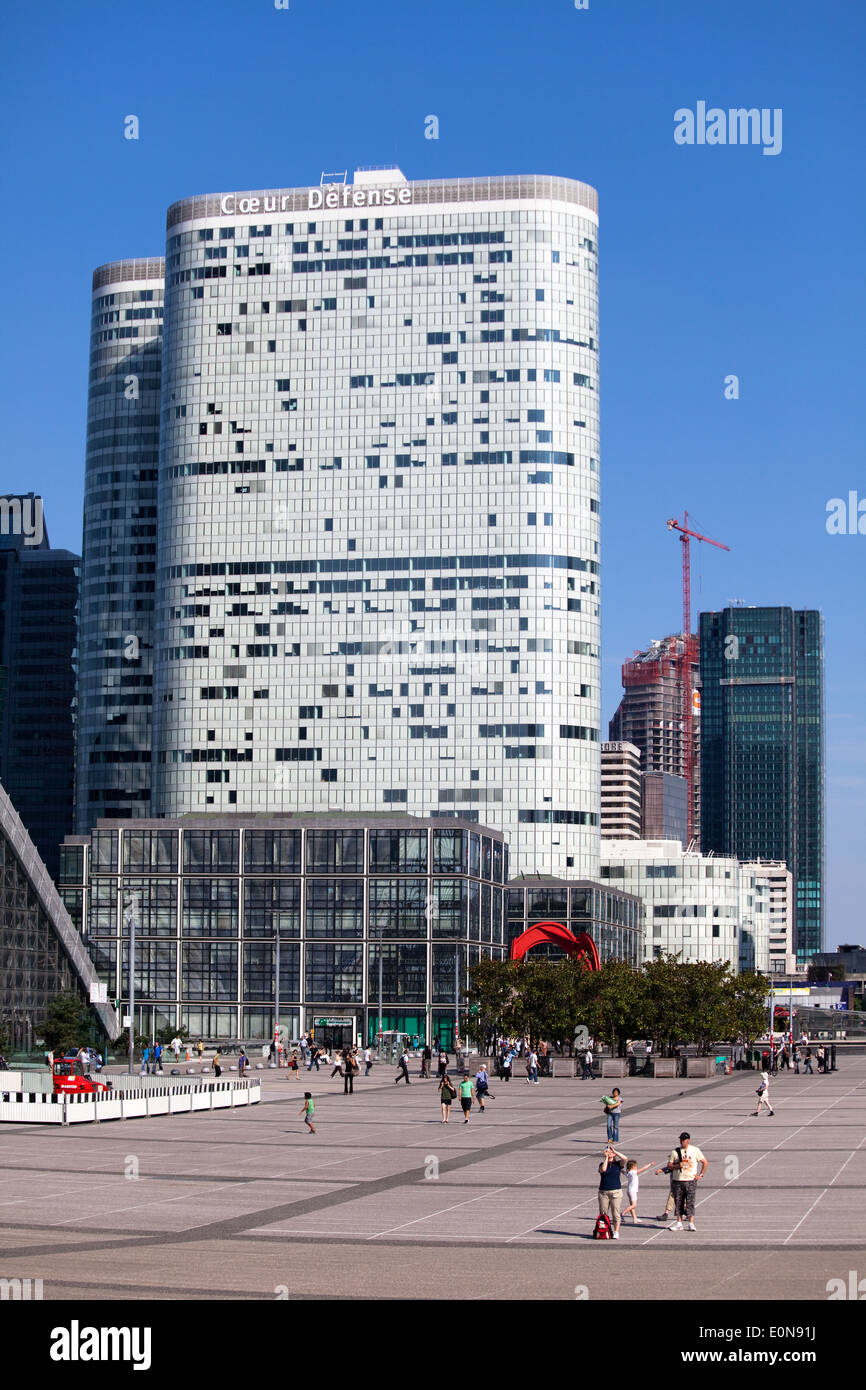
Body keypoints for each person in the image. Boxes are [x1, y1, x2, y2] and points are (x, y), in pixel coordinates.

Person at [660, 1131, 708, 1232]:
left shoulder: (695, 1150)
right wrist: (677, 1166)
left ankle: (691, 1223)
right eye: (681, 1140)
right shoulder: (675, 1152)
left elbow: (705, 1162)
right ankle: (679, 1223)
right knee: (679, 1202)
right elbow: (669, 1165)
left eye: (683, 1140)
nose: (682, 1142)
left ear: (688, 1140)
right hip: (678, 1180)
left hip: (690, 1180)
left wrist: (701, 1175)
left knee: (690, 1202)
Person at [597, 1145, 626, 1239]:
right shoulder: (602, 1164)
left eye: (610, 1152)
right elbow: (603, 1170)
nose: (609, 1153)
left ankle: (616, 1231)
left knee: (615, 1213)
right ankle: (605, 1230)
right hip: (603, 1192)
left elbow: (625, 1158)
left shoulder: (618, 1164)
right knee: (603, 1213)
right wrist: (606, 1157)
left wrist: (615, 1151)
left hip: (615, 1191)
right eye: (607, 1151)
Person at [621, 1157, 656, 1225]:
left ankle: (635, 1218)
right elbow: (643, 1169)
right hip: (633, 1191)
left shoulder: (628, 1173)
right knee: (634, 1205)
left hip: (629, 1190)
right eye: (636, 1166)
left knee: (632, 1205)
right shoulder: (633, 1172)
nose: (637, 1168)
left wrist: (620, 1169)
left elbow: (623, 1172)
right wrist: (650, 1164)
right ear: (633, 1167)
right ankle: (623, 1213)